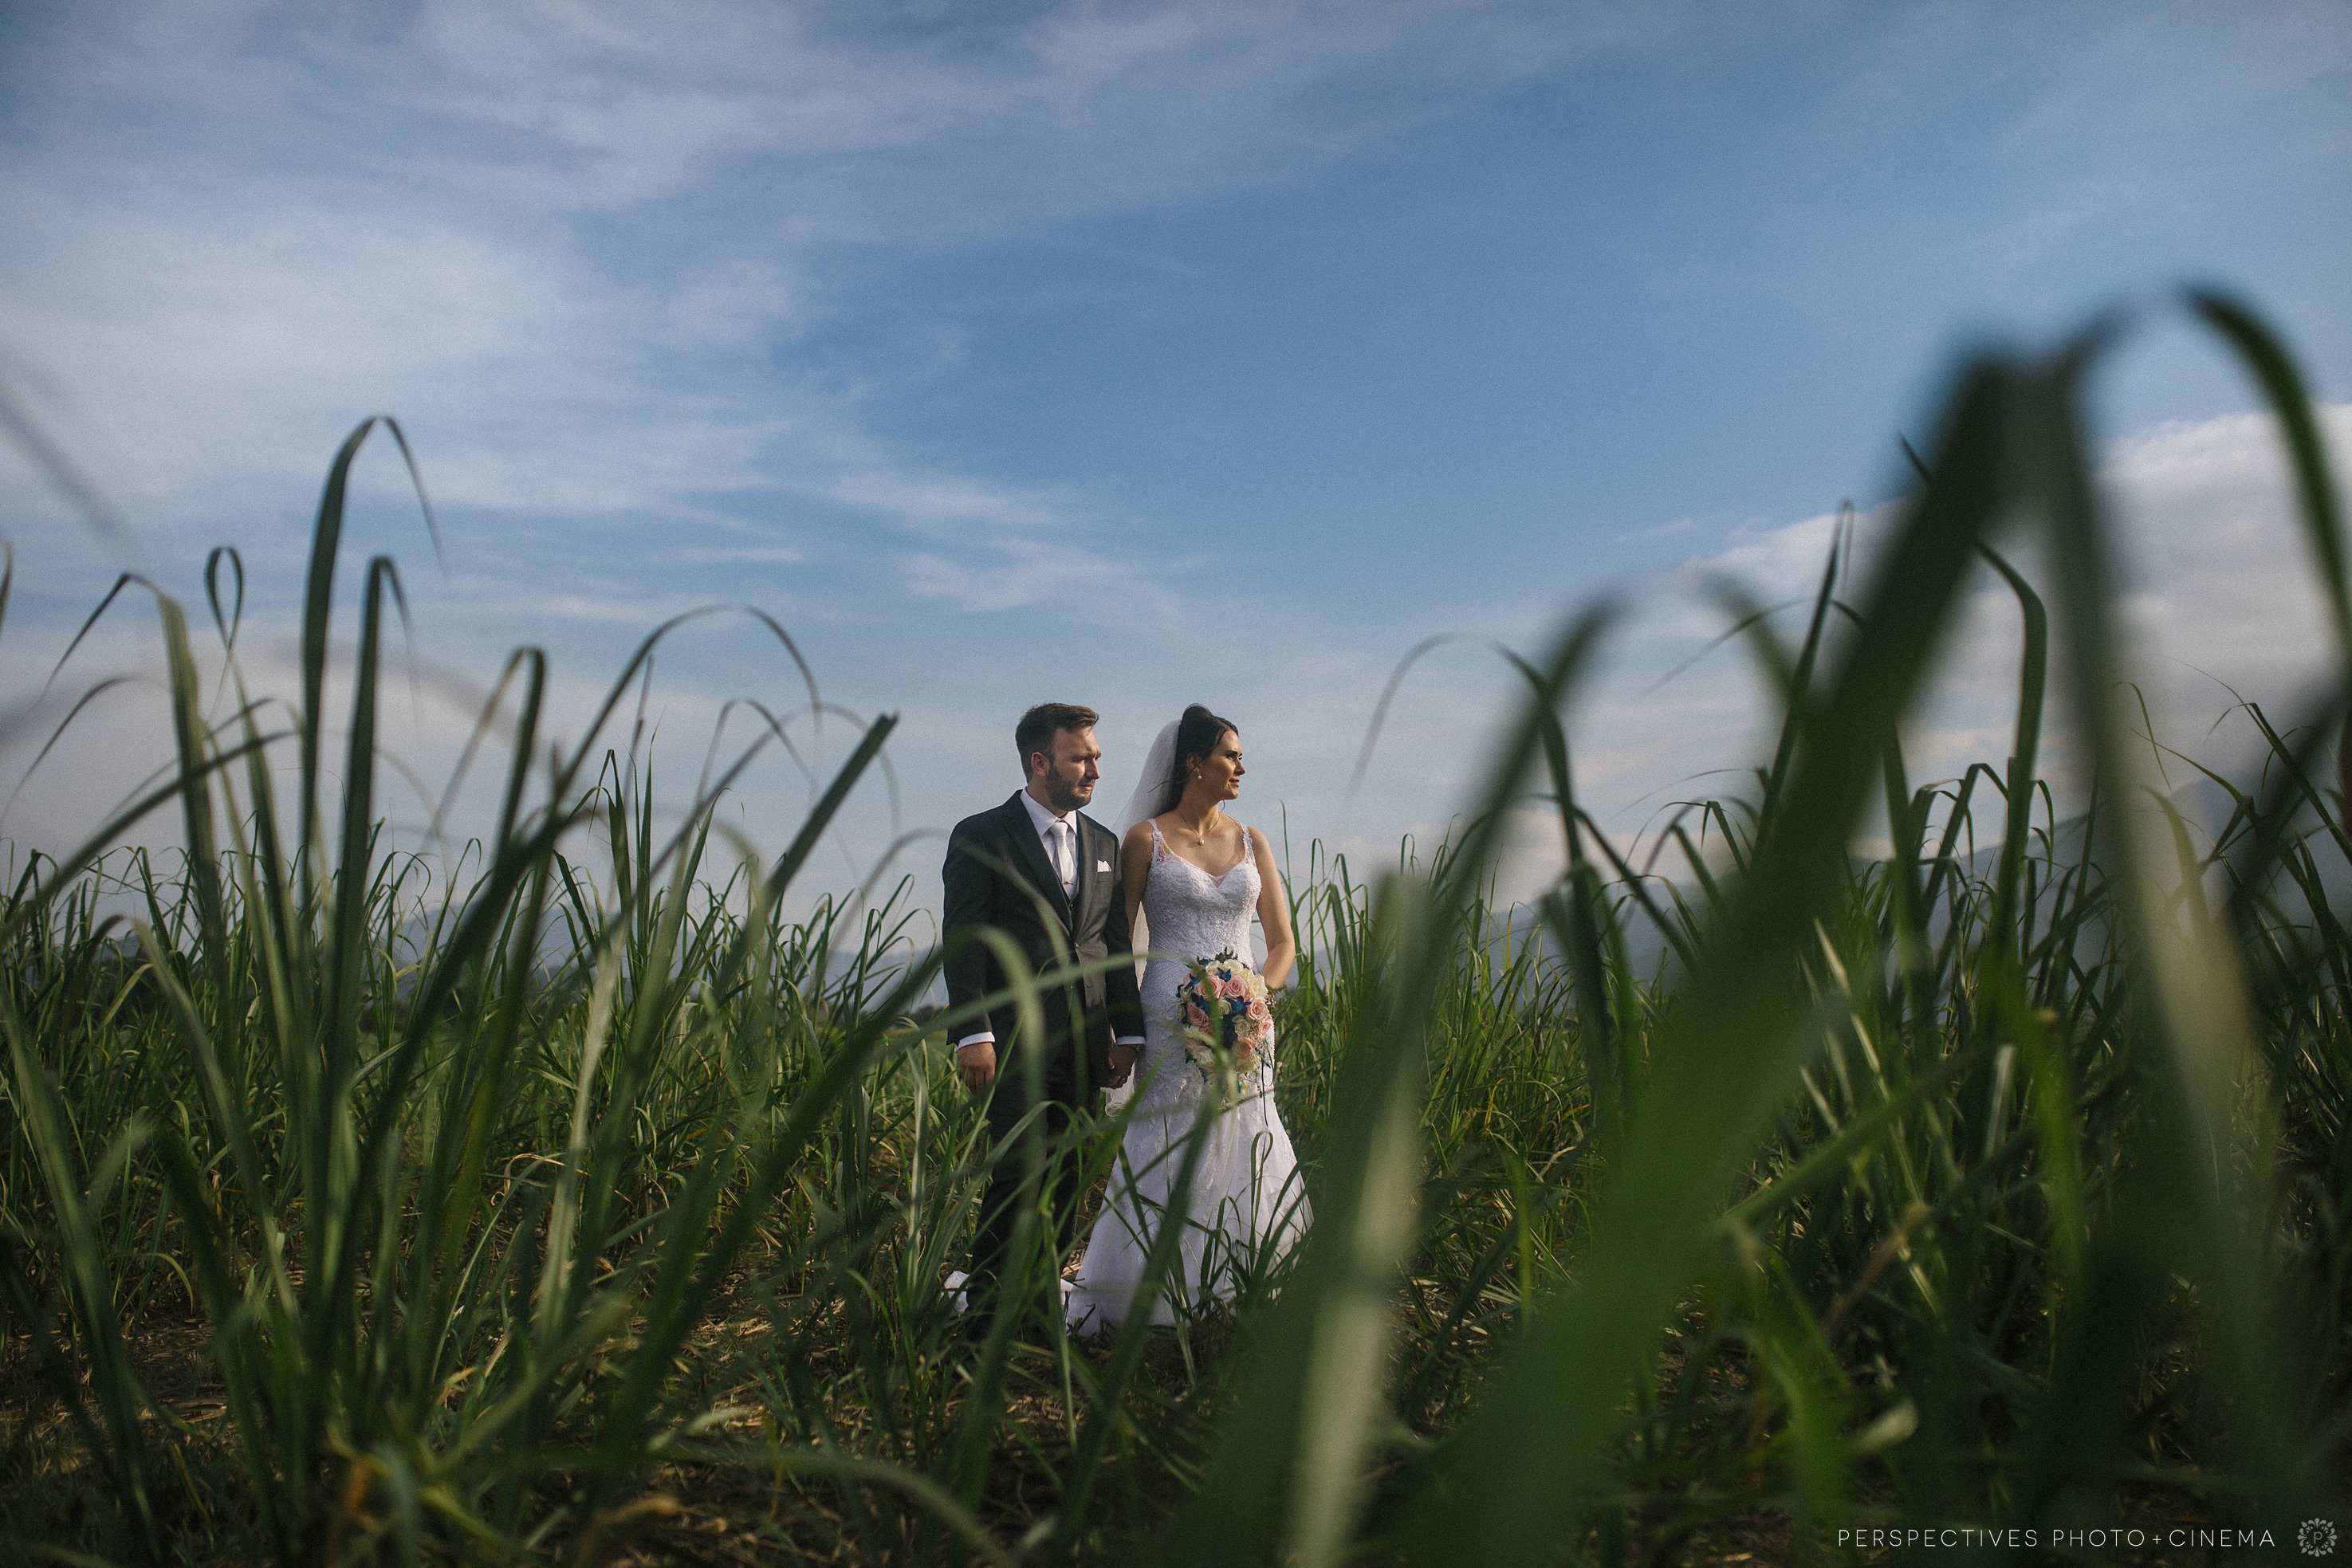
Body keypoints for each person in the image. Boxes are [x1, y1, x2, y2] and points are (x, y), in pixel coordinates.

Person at [1066, 704, 1311, 1334]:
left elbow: (1283, 941)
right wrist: (1122, 1027)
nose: (1241, 766)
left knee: (1247, 1137)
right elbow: (1116, 941)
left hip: (1248, 1023)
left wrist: (1257, 992)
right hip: (1167, 1021)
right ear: (1194, 764)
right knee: (1165, 1139)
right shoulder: (1146, 839)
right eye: (1231, 754)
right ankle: (1153, 1293)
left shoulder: (1253, 840)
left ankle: (1240, 1286)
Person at [942, 702, 1147, 1332]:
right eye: (1081, 757)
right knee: (1017, 1174)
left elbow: (1113, 946)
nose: (1094, 770)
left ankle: (1035, 1310)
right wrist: (973, 1032)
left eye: (1096, 758)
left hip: (1087, 1042)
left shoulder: (1104, 844)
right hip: (1011, 1041)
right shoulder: (982, 834)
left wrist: (1128, 1033)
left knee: (1068, 1175)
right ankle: (983, 1321)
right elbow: (965, 938)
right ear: (1039, 761)